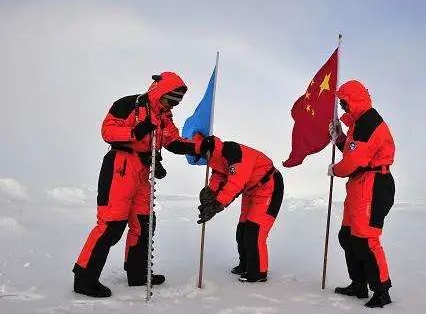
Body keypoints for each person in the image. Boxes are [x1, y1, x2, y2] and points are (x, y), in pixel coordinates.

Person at [73, 72, 203, 298]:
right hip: (120, 167)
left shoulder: (165, 116)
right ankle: (84, 279)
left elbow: (172, 141)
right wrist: (136, 130)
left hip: (143, 171)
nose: (171, 104)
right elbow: (107, 131)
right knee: (111, 225)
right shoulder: (129, 105)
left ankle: (138, 273)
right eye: (169, 99)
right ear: (159, 92)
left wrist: (200, 146)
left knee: (144, 222)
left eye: (176, 101)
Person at [328, 80, 396, 308]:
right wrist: (339, 138)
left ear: (353, 100)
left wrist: (335, 169)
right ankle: (359, 284)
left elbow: (355, 160)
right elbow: (353, 151)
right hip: (359, 184)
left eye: (343, 103)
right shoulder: (358, 124)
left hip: (374, 184)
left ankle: (381, 291)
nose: (342, 107)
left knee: (366, 239)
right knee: (348, 236)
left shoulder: (369, 122)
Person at [196, 135, 284, 283]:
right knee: (242, 229)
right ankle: (246, 265)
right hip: (250, 190)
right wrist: (209, 195)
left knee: (254, 231)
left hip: (268, 186)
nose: (204, 161)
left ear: (210, 152)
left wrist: (216, 205)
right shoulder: (218, 159)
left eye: (204, 157)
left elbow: (235, 183)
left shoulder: (233, 153)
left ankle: (258, 273)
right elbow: (219, 177)